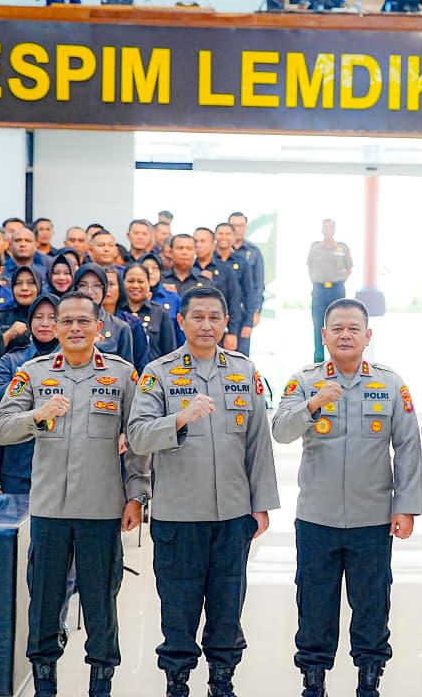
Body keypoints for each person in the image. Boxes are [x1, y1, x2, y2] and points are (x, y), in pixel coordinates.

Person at [0, 291, 147, 697]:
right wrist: (36, 415)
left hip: (101, 508)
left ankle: (101, 683)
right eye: (66, 321)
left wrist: (137, 495)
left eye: (83, 321)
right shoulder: (33, 372)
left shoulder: (122, 375)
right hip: (50, 509)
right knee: (44, 600)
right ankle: (45, 684)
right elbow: (2, 429)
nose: (75, 328)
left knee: (101, 602)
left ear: (99, 327)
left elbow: (138, 441)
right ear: (55, 327)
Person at [127, 287, 279, 697]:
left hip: (233, 514)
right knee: (178, 608)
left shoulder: (244, 371)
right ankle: (177, 681)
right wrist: (179, 418)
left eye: (214, 317)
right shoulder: (158, 372)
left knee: (228, 606)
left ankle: (221, 681)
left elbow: (258, 442)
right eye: (197, 316)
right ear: (181, 321)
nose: (206, 325)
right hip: (178, 516)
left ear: (226, 322)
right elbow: (137, 436)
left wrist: (261, 504)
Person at [272, 298, 422, 697]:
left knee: (372, 604)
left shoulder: (390, 384)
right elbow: (280, 431)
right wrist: (313, 405)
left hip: (372, 518)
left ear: (367, 336)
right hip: (317, 517)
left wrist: (406, 507)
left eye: (354, 329)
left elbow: (408, 446)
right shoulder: (304, 381)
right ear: (323, 335)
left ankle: (369, 681)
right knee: (314, 603)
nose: (345, 335)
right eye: (337, 328)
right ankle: (313, 681)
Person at [0, 293, 59, 496]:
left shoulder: (74, 362)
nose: (45, 323)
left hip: (61, 466)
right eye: (38, 317)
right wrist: (25, 378)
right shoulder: (13, 360)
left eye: (52, 317)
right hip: (19, 465)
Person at [308, 219, 353, 362]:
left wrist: (338, 282)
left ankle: (338, 357)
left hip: (337, 290)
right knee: (318, 323)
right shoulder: (315, 247)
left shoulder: (343, 248)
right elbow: (310, 267)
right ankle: (318, 359)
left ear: (334, 230)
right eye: (326, 228)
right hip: (319, 290)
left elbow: (349, 268)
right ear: (322, 230)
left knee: (338, 324)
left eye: (331, 228)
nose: (328, 231)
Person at [73, 263, 135, 365]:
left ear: (104, 289)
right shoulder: (64, 324)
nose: (89, 291)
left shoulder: (120, 327)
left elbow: (126, 370)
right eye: (83, 285)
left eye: (97, 285)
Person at [120, 262, 177, 363]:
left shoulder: (160, 313)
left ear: (148, 284)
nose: (135, 286)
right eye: (130, 281)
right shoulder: (116, 311)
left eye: (140, 281)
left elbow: (170, 353)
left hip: (152, 372)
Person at [228, 212, 266, 351]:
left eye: (241, 226)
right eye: (234, 226)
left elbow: (258, 285)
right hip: (223, 310)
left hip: (244, 310)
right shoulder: (220, 251)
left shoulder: (254, 252)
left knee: (242, 354)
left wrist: (256, 310)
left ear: (246, 227)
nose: (237, 229)